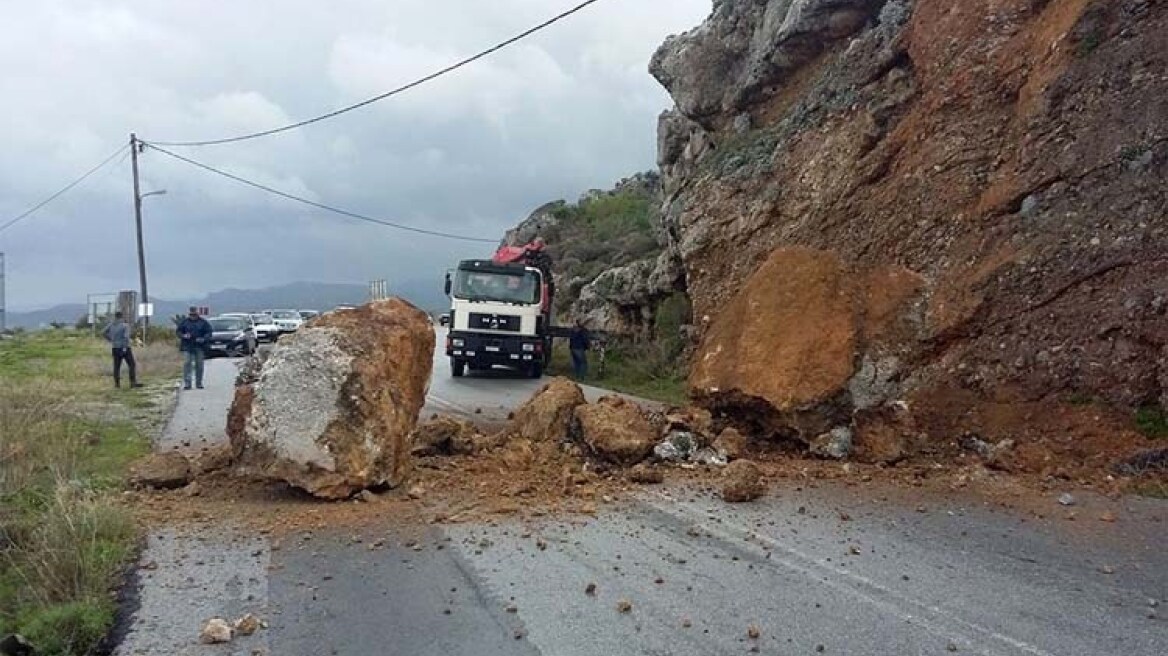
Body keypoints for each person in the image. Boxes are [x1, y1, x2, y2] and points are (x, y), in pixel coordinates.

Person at [102, 311, 141, 388]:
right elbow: (126, 337)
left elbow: (103, 332)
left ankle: (117, 384)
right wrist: (124, 348)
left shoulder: (111, 325)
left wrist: (110, 339)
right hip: (125, 348)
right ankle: (132, 383)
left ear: (115, 316)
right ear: (122, 317)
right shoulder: (125, 325)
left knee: (116, 366)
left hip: (115, 347)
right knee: (131, 364)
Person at [176, 307, 212, 390]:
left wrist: (203, 339)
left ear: (197, 314)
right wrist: (184, 336)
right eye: (191, 314)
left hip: (199, 346)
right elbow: (178, 332)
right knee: (187, 363)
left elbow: (209, 332)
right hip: (187, 346)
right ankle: (187, 383)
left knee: (199, 364)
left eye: (194, 314)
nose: (193, 316)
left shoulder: (203, 322)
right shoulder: (184, 322)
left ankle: (198, 383)